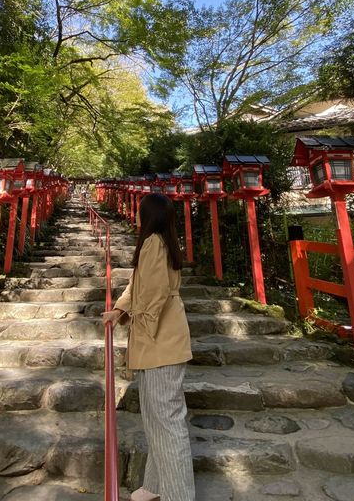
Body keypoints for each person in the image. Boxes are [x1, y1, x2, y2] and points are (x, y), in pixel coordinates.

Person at [102, 193, 195, 501]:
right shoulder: (163, 242)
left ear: (148, 216)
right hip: (164, 340)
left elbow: (153, 295)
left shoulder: (153, 242)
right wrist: (120, 310)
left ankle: (179, 495)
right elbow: (138, 285)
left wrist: (139, 322)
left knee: (166, 421)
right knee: (157, 418)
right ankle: (155, 486)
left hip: (161, 343)